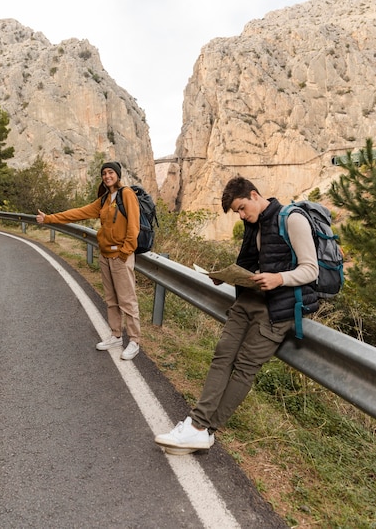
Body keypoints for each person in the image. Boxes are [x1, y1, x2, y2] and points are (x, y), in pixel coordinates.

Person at [154, 176, 319, 453]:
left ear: (254, 195)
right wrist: (225, 276)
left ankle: (204, 429)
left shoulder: (293, 219)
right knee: (222, 357)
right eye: (237, 212)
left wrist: (279, 278)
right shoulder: (252, 224)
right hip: (247, 301)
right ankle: (197, 426)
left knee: (244, 368)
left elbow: (310, 269)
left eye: (242, 208)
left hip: (277, 309)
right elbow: (248, 265)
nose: (241, 215)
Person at [36, 161, 141, 361]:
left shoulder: (127, 194)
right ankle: (116, 336)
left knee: (127, 300)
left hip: (121, 256)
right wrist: (49, 218)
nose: (107, 176)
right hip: (105, 255)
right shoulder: (103, 200)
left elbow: (133, 226)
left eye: (111, 172)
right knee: (111, 300)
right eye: (104, 173)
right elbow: (78, 213)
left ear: (118, 175)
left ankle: (134, 341)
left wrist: (125, 252)